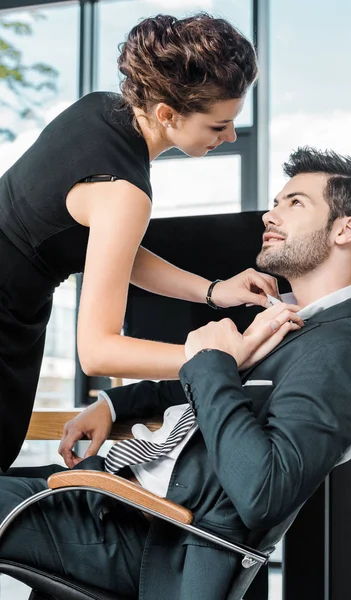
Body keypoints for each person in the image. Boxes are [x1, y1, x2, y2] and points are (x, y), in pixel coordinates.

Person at [0, 147, 351, 600]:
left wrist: (215, 362)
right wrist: (114, 403)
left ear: (346, 229)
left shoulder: (342, 350)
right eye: (276, 202)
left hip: (149, 537)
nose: (269, 214)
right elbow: (213, 388)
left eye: (294, 203)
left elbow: (263, 492)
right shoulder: (295, 322)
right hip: (114, 499)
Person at [0, 13, 284, 473]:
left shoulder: (99, 110)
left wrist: (213, 291)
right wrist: (216, 360)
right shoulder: (125, 192)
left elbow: (111, 250)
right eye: (218, 126)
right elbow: (97, 352)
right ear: (168, 115)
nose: (230, 136)